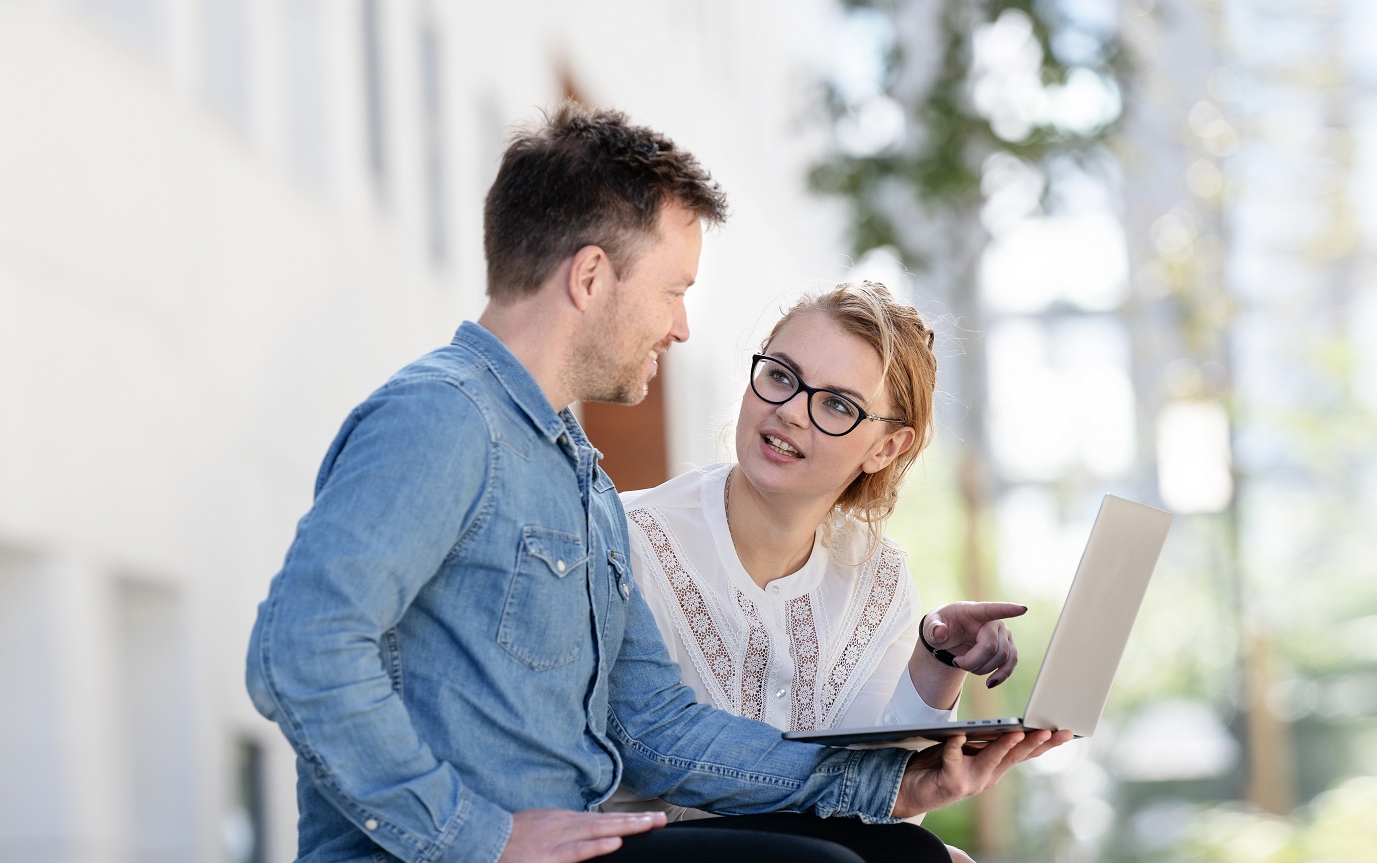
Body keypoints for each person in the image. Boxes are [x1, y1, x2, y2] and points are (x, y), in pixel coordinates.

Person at [245, 102, 1071, 863]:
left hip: (576, 843)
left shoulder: (577, 474)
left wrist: (893, 786)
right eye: (673, 290)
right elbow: (300, 648)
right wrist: (479, 835)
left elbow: (653, 725)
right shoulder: (443, 417)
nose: (679, 326)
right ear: (590, 277)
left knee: (909, 856)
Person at [604, 281, 1024, 862]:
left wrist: (937, 663)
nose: (790, 411)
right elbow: (654, 750)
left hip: (801, 850)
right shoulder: (630, 536)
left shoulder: (878, 578)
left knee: (929, 855)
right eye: (781, 375)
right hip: (641, 848)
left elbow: (881, 806)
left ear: (886, 448)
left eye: (837, 405)